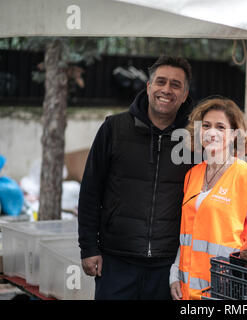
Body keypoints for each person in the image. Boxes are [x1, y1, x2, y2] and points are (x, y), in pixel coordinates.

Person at [77, 56, 194, 300]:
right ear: (149, 86)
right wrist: (88, 248)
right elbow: (90, 191)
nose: (166, 89)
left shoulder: (195, 139)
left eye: (175, 85)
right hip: (115, 262)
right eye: (160, 82)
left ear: (184, 94)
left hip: (168, 267)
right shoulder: (114, 128)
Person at [169, 97, 247, 300]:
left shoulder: (245, 177)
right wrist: (174, 273)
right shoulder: (192, 175)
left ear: (234, 135)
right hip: (187, 290)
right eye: (206, 126)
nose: (212, 132)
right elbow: (187, 233)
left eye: (220, 127)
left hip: (226, 292)